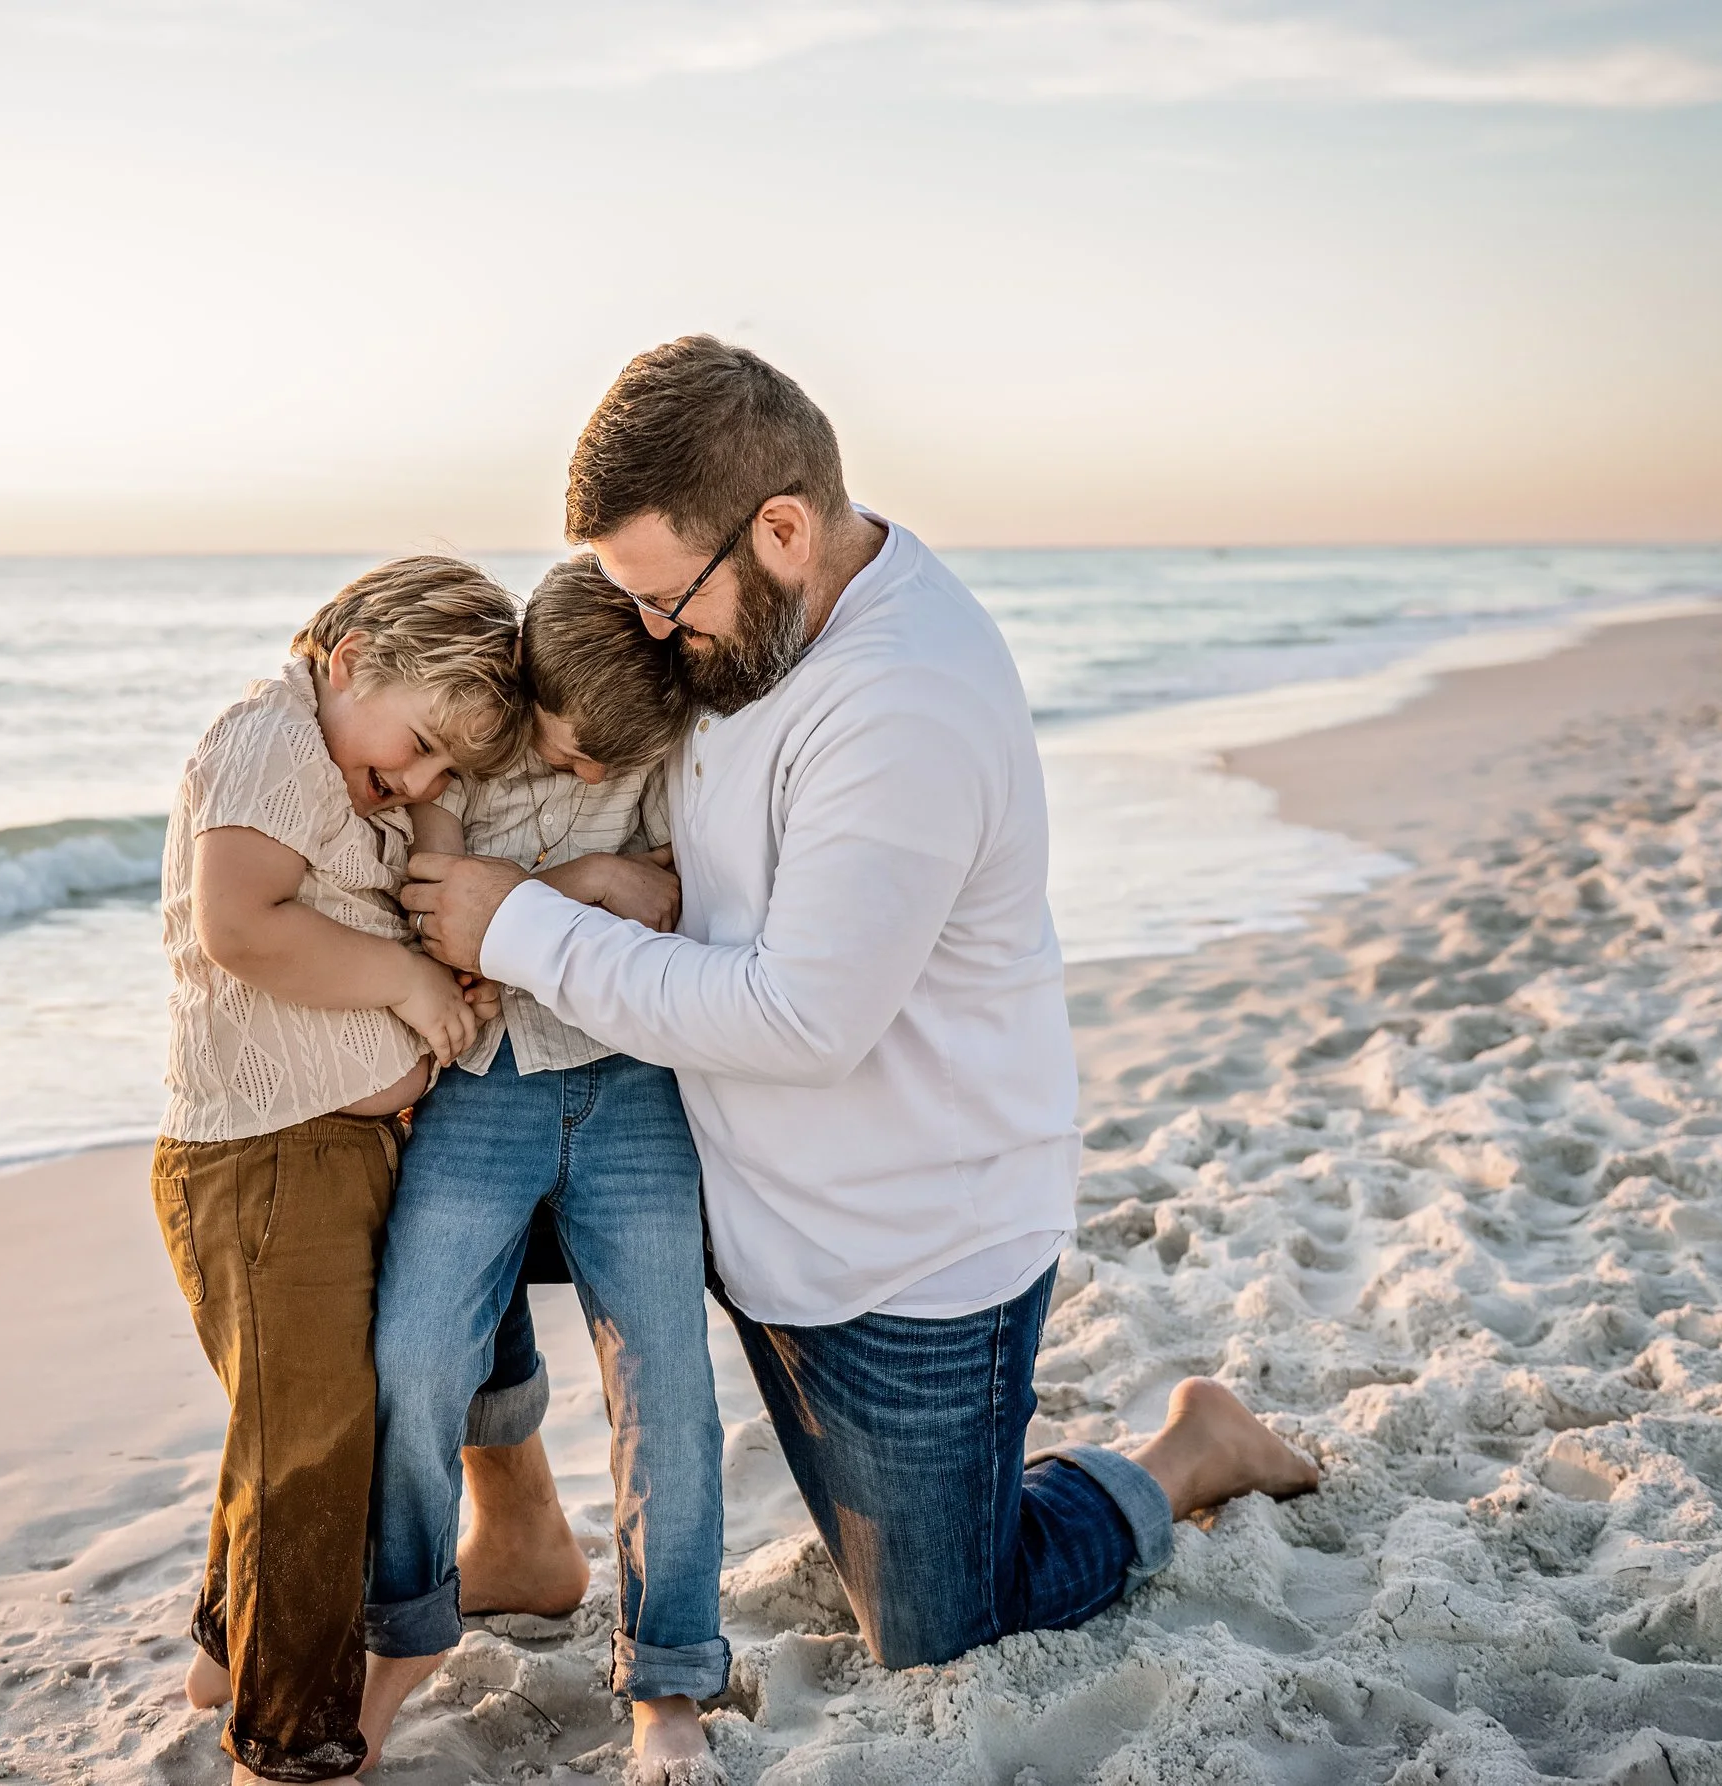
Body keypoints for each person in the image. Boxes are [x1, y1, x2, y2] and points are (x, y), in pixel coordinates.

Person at [403, 338, 1319, 1678]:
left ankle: (1186, 1448)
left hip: (897, 1251)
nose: (652, 635)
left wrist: (520, 922)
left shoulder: (907, 700)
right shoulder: (750, 626)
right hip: (720, 1167)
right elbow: (727, 854)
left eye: (668, 601)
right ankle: (519, 1521)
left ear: (781, 527)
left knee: (947, 1628)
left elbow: (799, 1019)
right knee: (404, 1181)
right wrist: (620, 876)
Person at [153, 556, 522, 1783]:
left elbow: (371, 901)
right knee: (312, 1440)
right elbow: (242, 924)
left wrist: (431, 832)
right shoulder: (269, 737)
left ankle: (226, 1639)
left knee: (300, 1418)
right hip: (261, 1165)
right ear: (350, 656)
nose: (418, 781)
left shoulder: (346, 770)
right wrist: (412, 987)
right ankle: (292, 1733)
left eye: (442, 771)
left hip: (332, 1149)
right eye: (417, 745)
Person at [361, 559, 726, 1781]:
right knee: (415, 1351)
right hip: (483, 1086)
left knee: (664, 1376)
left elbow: (675, 894)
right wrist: (585, 891)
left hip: (632, 1082)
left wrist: (565, 889)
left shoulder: (651, 738)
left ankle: (669, 1677)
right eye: (568, 752)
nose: (582, 774)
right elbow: (431, 901)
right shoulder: (462, 750)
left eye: (600, 773)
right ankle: (399, 1632)